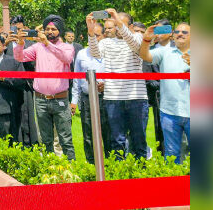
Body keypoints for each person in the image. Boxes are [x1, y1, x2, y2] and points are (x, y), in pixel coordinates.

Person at [85, 8, 149, 160]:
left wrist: (117, 20)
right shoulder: (107, 42)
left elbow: (134, 45)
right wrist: (91, 31)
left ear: (131, 27)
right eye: (115, 24)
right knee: (117, 141)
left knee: (138, 140)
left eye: (120, 24)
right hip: (113, 98)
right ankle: (120, 177)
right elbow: (95, 53)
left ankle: (141, 177)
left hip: (136, 98)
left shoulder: (138, 37)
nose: (117, 27)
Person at [13, 15, 76, 159]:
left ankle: (72, 172)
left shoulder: (67, 47)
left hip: (60, 100)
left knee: (65, 139)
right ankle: (50, 170)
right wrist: (21, 43)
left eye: (53, 29)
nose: (50, 31)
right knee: (45, 140)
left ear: (59, 30)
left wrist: (47, 43)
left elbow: (66, 58)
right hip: (41, 100)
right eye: (47, 29)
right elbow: (19, 57)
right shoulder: (37, 47)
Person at [139, 22, 190, 164]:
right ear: (173, 35)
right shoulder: (164, 52)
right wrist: (146, 39)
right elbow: (144, 55)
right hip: (169, 113)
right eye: (177, 31)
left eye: (184, 32)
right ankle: (175, 185)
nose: (180, 34)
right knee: (172, 155)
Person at [70, 23, 110, 164]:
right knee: (88, 134)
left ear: (104, 36)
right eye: (90, 35)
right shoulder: (81, 54)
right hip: (87, 100)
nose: (92, 38)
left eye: (97, 35)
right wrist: (74, 100)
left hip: (106, 98)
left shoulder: (108, 53)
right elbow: (77, 79)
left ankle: (110, 165)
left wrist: (106, 85)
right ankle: (91, 164)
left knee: (108, 132)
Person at [9, 15, 39, 147]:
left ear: (25, 29)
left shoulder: (31, 45)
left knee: (27, 118)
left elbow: (33, 65)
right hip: (8, 85)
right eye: (15, 29)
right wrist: (5, 44)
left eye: (20, 29)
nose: (17, 32)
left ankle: (29, 144)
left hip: (25, 85)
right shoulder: (5, 43)